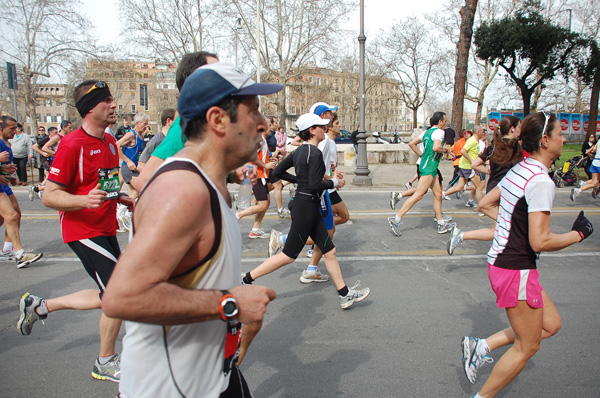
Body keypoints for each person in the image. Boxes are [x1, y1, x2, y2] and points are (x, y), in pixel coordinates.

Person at [102, 62, 279, 398]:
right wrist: (230, 303)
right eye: (253, 111)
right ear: (217, 120)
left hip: (213, 379)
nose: (263, 124)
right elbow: (122, 296)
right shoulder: (183, 190)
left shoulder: (211, 184)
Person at [461, 111, 594, 398]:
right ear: (545, 140)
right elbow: (539, 241)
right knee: (528, 346)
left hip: (505, 263)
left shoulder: (520, 170)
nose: (564, 138)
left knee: (550, 324)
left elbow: (484, 203)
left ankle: (481, 346)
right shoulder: (542, 181)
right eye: (560, 133)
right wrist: (578, 234)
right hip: (515, 268)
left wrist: (510, 224)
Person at [17, 80, 124, 382]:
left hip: (105, 226)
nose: (114, 105)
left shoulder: (108, 141)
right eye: (108, 101)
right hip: (81, 228)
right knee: (117, 294)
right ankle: (105, 361)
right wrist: (83, 200)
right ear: (91, 108)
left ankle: (39, 307)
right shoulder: (72, 144)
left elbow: (107, 185)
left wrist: (125, 198)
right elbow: (50, 194)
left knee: (109, 295)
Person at [242, 113, 371, 310]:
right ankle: (246, 279)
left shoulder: (300, 152)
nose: (324, 128)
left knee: (330, 251)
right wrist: (334, 182)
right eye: (320, 126)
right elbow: (313, 185)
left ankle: (345, 294)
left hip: (307, 205)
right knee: (288, 256)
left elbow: (276, 173)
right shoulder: (315, 153)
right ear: (311, 130)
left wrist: (298, 182)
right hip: (306, 207)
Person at [135, 51, 219, 189]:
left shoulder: (205, 122)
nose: (224, 78)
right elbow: (144, 180)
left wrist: (232, 175)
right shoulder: (187, 125)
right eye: (216, 73)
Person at [447, 116, 522, 255]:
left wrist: (489, 171)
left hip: (493, 186)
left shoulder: (494, 146)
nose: (520, 130)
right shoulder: (515, 147)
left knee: (498, 230)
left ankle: (462, 235)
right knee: (510, 224)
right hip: (505, 190)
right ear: (512, 129)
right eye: (519, 127)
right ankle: (500, 252)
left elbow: (475, 164)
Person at [388, 112, 455, 236]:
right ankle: (396, 218)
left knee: (438, 194)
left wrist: (421, 155)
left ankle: (441, 223)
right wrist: (446, 150)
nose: (446, 123)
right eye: (445, 121)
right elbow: (436, 148)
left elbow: (412, 143)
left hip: (429, 166)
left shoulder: (427, 132)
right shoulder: (440, 132)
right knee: (418, 195)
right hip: (429, 167)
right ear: (440, 121)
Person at [0, 116, 43, 267]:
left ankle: (7, 248)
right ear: (2, 128)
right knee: (10, 216)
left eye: (16, 128)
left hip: (3, 184)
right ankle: (20, 254)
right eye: (11, 128)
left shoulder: (7, 143)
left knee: (15, 214)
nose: (15, 131)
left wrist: (6, 175)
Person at [235, 126, 277, 238]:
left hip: (262, 175)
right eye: (271, 125)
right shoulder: (260, 139)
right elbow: (251, 155)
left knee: (266, 203)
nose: (273, 128)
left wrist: (269, 161)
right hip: (258, 176)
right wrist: (265, 165)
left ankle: (255, 229)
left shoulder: (263, 140)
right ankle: (237, 216)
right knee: (263, 205)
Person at [442, 125, 486, 207]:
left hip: (464, 165)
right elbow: (463, 151)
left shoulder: (475, 141)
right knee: (479, 187)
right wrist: (472, 160)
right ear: (478, 132)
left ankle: (443, 194)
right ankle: (482, 208)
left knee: (459, 187)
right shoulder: (472, 141)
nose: (483, 134)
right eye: (483, 132)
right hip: (468, 167)